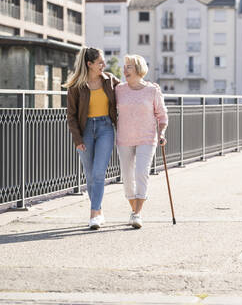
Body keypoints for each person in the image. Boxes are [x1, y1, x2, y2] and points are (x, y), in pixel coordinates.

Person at [64, 47, 121, 229]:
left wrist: (148, 87)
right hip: (85, 130)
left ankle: (93, 213)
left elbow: (128, 90)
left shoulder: (109, 80)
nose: (103, 64)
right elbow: (71, 116)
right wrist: (77, 139)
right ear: (89, 64)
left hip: (105, 128)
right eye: (100, 62)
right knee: (89, 176)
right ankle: (99, 211)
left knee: (98, 173)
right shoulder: (76, 86)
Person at [115, 54, 168, 229]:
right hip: (124, 138)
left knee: (141, 173)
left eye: (128, 66)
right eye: (124, 67)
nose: (124, 70)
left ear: (139, 69)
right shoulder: (119, 89)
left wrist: (161, 133)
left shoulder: (152, 90)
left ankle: (137, 214)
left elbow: (161, 115)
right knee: (127, 177)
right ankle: (134, 210)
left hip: (147, 137)